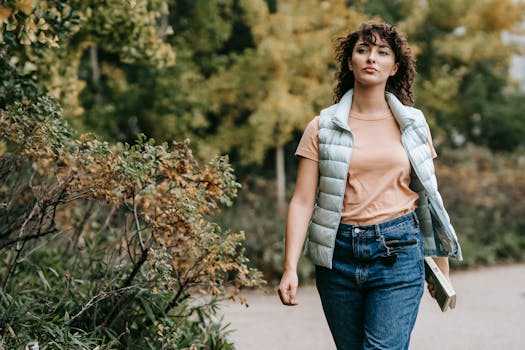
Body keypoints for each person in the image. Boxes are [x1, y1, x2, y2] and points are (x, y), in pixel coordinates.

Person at [277, 22, 462, 350]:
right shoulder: (323, 127)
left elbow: (429, 197)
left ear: (395, 67)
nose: (370, 58)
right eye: (362, 51)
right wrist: (289, 268)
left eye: (382, 52)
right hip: (339, 257)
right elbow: (302, 201)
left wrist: (439, 268)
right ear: (350, 63)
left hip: (399, 251)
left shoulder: (414, 124)